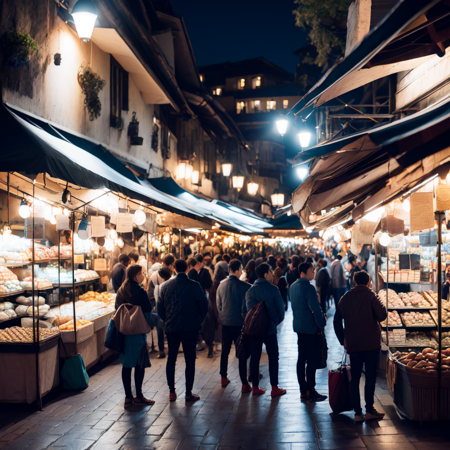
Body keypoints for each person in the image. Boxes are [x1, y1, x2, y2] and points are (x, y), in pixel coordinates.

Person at [333, 270, 387, 423]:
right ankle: (369, 409)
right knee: (370, 377)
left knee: (354, 378)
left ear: (355, 282)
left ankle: (357, 413)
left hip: (353, 345)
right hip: (371, 344)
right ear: (369, 282)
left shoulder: (345, 297)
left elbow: (336, 320)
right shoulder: (371, 295)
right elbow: (382, 315)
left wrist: (342, 338)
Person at [157, 259, 208, 402]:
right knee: (190, 360)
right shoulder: (194, 285)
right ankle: (188, 392)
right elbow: (204, 306)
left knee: (171, 359)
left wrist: (167, 320)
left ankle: (172, 392)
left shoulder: (165, 286)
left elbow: (160, 309)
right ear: (186, 269)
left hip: (172, 328)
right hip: (190, 328)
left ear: (173, 268)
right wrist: (199, 321)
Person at [243, 263, 286, 398]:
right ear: (266, 274)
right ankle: (274, 388)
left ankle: (255, 387)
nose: (272, 273)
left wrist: (253, 324)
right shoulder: (273, 289)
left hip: (255, 331)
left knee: (255, 357)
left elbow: (245, 311)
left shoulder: (250, 290)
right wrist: (273, 322)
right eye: (270, 271)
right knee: (273, 357)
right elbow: (281, 310)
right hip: (270, 330)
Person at [115, 265, 154, 407]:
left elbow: (116, 310)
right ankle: (139, 396)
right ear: (135, 276)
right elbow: (148, 313)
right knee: (139, 364)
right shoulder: (141, 292)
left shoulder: (121, 290)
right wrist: (149, 325)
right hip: (137, 333)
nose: (143, 275)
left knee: (126, 365)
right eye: (141, 273)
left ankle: (128, 397)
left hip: (124, 333)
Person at [289, 262, 327, 402]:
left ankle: (302, 390)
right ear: (304, 272)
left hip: (299, 328)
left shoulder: (292, 287)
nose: (314, 272)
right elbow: (316, 309)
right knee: (311, 361)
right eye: (312, 270)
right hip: (311, 329)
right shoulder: (309, 288)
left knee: (301, 359)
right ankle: (311, 390)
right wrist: (322, 322)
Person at [216, 259, 251, 391]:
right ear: (236, 270)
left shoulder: (221, 285)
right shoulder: (245, 286)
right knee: (241, 352)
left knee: (225, 350)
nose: (242, 271)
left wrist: (223, 315)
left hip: (225, 323)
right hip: (239, 324)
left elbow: (218, 305)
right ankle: (244, 383)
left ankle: (223, 377)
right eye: (241, 269)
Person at [203, 265, 227, 357]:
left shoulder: (213, 283)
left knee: (211, 328)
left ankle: (210, 347)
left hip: (212, 307)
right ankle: (221, 346)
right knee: (221, 327)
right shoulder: (224, 283)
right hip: (221, 308)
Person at [151, 266, 172, 359]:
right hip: (172, 311)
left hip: (162, 311)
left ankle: (161, 350)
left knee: (160, 331)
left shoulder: (158, 287)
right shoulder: (174, 283)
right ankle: (172, 349)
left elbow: (158, 302)